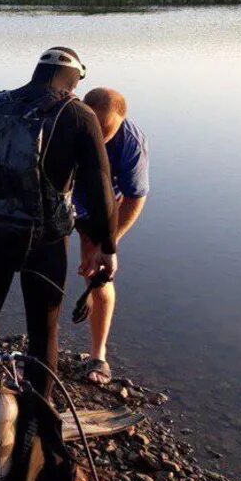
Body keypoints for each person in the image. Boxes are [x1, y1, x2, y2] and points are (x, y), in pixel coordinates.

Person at [0, 47, 118, 406]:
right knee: (43, 336)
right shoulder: (79, 114)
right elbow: (101, 187)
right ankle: (36, 426)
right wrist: (108, 247)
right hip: (46, 244)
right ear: (74, 79)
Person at [74, 88, 150, 385]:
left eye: (106, 133)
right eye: (93, 130)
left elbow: (135, 197)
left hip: (101, 207)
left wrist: (108, 244)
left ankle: (98, 354)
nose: (98, 140)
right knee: (44, 268)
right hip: (60, 197)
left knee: (99, 273)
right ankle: (44, 348)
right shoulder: (65, 125)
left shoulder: (131, 143)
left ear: (122, 120)